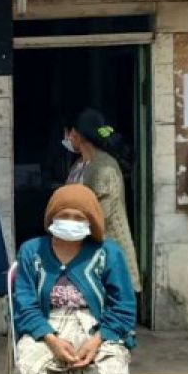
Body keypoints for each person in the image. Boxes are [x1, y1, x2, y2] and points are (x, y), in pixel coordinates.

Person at [12, 184, 136, 374]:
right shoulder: (33, 251)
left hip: (98, 326)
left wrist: (98, 340)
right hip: (47, 326)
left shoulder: (108, 252)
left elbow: (124, 306)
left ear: (91, 221)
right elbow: (25, 304)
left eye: (79, 217)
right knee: (33, 366)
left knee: (110, 370)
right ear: (52, 218)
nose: (71, 222)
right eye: (64, 215)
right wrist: (51, 340)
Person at [63, 109, 142, 294]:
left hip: (105, 251)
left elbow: (100, 217)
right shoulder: (78, 165)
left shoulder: (105, 168)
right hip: (81, 248)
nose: (65, 138)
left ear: (75, 133)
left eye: (67, 133)